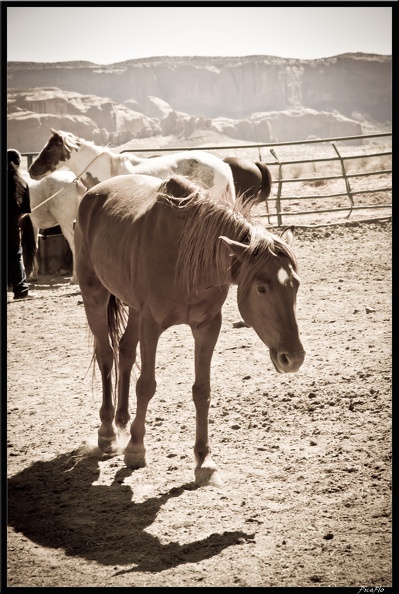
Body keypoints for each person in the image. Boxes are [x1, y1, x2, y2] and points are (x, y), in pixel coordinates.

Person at [7, 148, 35, 299]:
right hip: (10, 229)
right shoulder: (21, 183)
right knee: (15, 256)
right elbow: (24, 213)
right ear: (16, 163)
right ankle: (21, 291)